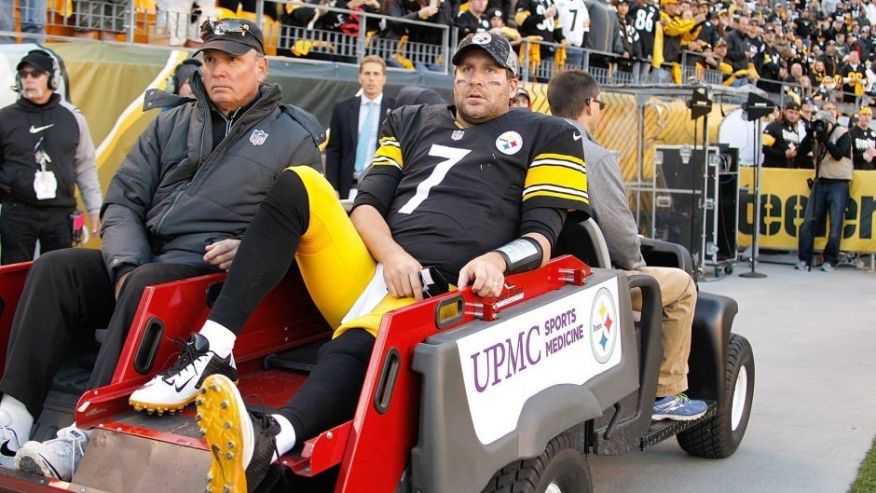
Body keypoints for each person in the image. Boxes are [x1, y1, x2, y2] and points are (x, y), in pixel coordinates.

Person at [156, 32, 589, 493]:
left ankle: (272, 437)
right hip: (375, 270)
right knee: (300, 181)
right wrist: (391, 255)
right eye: (466, 71)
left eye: (489, 72)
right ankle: (214, 349)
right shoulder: (410, 120)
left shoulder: (550, 133)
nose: (475, 81)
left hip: (441, 295)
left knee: (374, 333)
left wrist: (497, 260)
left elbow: (542, 237)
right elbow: (366, 205)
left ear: (512, 82)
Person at [0, 19, 325, 480]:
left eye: (232, 60)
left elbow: (306, 222)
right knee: (56, 268)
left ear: (261, 66)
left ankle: (84, 433)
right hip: (147, 257)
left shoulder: (295, 138)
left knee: (147, 285)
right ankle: (12, 416)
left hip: (209, 274)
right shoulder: (170, 122)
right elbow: (122, 201)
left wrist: (251, 247)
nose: (219, 70)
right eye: (211, 59)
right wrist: (125, 263)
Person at [547, 69, 707, 422]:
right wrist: (635, 261)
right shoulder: (595, 156)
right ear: (589, 104)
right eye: (600, 104)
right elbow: (621, 237)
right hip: (595, 279)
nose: (601, 111)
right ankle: (666, 392)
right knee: (682, 285)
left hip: (547, 273)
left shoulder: (534, 146)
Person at [0, 50, 103, 265]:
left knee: (57, 273)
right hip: (18, 211)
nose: (28, 79)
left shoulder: (72, 118)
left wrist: (95, 210)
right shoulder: (5, 118)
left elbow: (85, 166)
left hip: (60, 213)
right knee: (14, 275)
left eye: (35, 74)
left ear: (52, 78)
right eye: (24, 74)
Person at [324, 56, 395, 200]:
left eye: (376, 74)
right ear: (359, 77)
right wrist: (333, 187)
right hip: (346, 188)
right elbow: (333, 151)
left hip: (380, 189)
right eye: (367, 73)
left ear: (384, 79)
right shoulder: (342, 109)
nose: (371, 78)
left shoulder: (395, 110)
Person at [796, 108, 852, 272]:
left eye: (822, 124)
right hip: (820, 182)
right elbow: (800, 155)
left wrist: (825, 139)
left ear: (830, 123)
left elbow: (838, 154)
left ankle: (830, 259)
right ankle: (804, 259)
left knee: (835, 224)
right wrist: (808, 136)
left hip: (839, 183)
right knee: (808, 221)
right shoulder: (815, 135)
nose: (819, 128)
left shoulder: (842, 133)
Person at [762, 101, 807, 168]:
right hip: (773, 169)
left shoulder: (795, 131)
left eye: (796, 114)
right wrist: (783, 154)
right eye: (791, 112)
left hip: (789, 171)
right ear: (784, 111)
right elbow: (764, 148)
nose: (793, 116)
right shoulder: (773, 126)